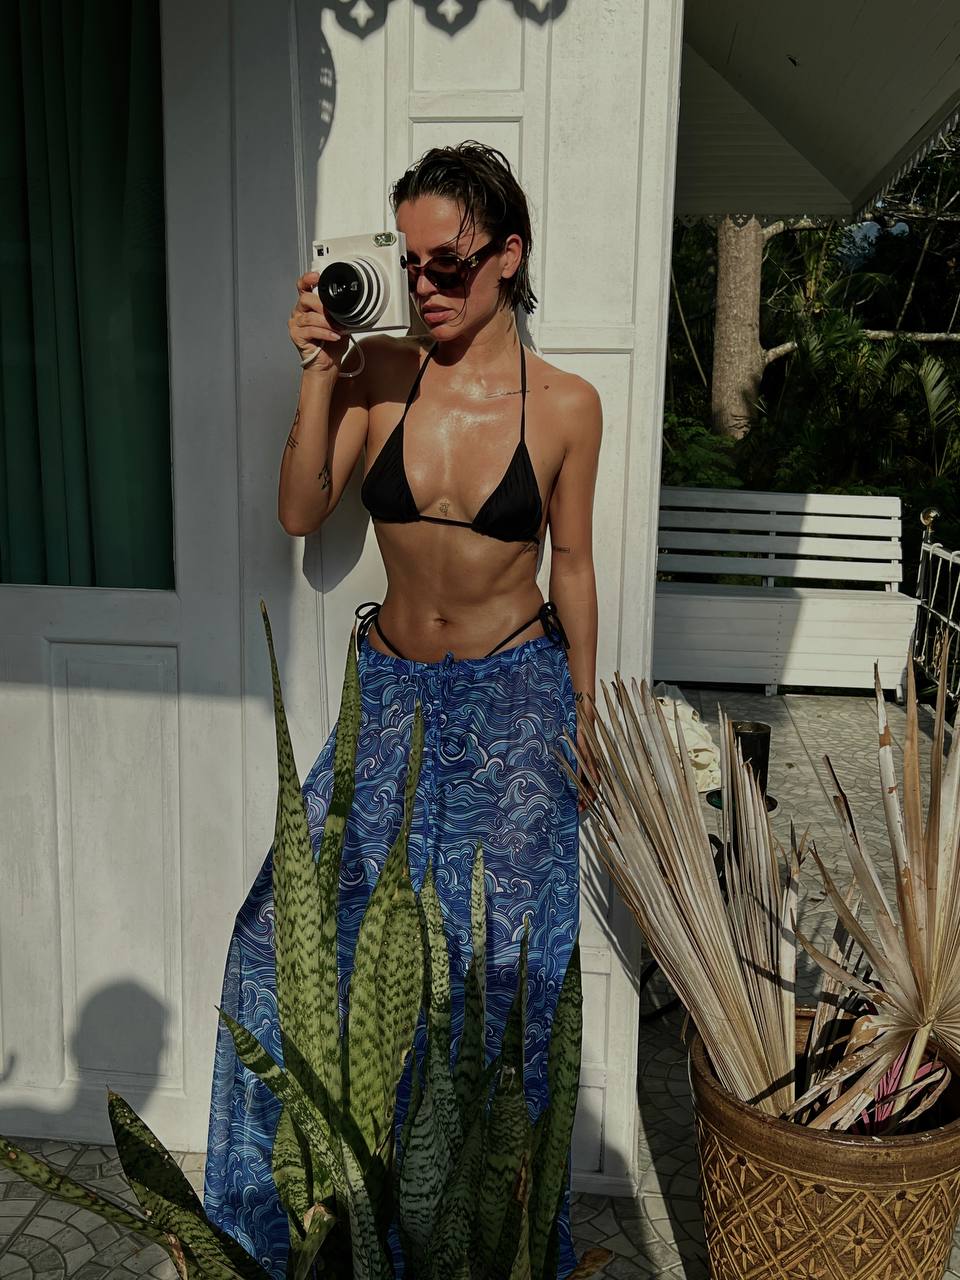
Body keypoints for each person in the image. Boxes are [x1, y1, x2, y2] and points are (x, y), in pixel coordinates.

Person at [203, 142, 601, 1279]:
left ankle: (490, 1237)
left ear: (509, 254)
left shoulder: (567, 406)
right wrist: (319, 369)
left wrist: (584, 719)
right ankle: (312, 1219)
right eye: (410, 263)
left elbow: (572, 565)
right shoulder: (381, 375)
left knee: (499, 973)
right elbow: (300, 510)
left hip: (515, 706)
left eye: (449, 265)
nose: (426, 286)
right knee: (282, 942)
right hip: (386, 695)